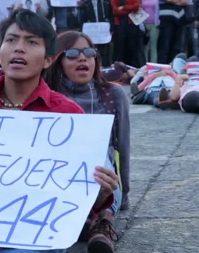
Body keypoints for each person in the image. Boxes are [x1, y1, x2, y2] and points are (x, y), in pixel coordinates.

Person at [0, 9, 118, 253]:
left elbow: (81, 200)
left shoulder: (69, 115)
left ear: (48, 59)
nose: (19, 48)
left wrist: (100, 192)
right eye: (11, 40)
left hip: (33, 230)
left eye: (31, 42)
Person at [45, 31, 130, 252]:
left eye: (89, 53)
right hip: (58, 178)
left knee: (98, 154)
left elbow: (124, 148)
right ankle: (87, 221)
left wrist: (125, 193)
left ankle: (102, 224)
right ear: (57, 60)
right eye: (72, 54)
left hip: (103, 181)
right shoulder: (46, 95)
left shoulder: (113, 93)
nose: (83, 58)